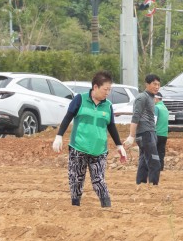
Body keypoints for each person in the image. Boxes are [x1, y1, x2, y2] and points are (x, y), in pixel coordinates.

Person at [53, 71, 128, 207]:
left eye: (109, 90)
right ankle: (75, 206)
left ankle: (107, 206)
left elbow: (111, 126)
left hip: (99, 151)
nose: (107, 93)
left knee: (99, 180)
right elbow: (68, 117)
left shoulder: (108, 105)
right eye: (105, 89)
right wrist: (59, 136)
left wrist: (119, 146)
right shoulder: (80, 100)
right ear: (95, 87)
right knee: (76, 180)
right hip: (78, 148)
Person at [124, 74, 162, 186]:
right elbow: (135, 116)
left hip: (150, 132)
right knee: (154, 162)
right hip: (145, 133)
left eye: (159, 85)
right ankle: (153, 186)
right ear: (147, 84)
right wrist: (131, 136)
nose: (157, 87)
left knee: (144, 161)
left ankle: (140, 185)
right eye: (154, 84)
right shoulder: (142, 97)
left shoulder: (151, 98)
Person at [154, 91, 169, 172]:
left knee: (154, 152)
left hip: (156, 133)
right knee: (161, 152)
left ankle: (154, 168)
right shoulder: (165, 108)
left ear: (156, 99)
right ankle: (161, 168)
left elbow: (154, 121)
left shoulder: (156, 107)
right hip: (164, 134)